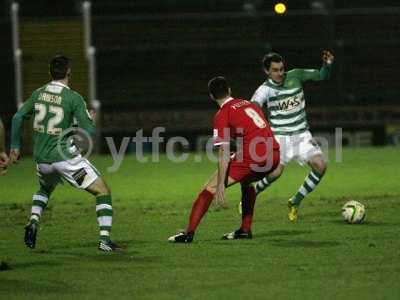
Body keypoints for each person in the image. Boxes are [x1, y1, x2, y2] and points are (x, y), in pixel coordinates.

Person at [9, 55, 121, 251]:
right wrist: (90, 120)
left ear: (50, 73)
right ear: (69, 72)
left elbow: (18, 117)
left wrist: (15, 147)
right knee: (103, 191)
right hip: (67, 162)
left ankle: (34, 220)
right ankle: (105, 240)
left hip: (43, 161)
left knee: (45, 189)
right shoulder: (73, 98)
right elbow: (90, 131)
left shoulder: (38, 94)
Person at [168, 76, 280, 243]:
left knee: (209, 188)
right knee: (246, 182)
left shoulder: (222, 114)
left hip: (254, 156)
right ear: (229, 90)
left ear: (211, 96)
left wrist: (221, 183)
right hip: (274, 154)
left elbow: (223, 151)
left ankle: (188, 234)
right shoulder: (249, 104)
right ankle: (245, 230)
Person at [251, 50, 334, 221]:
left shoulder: (296, 75)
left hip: (302, 134)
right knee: (275, 173)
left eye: (281, 69)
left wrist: (327, 65)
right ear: (267, 71)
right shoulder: (264, 90)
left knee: (320, 165)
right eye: (275, 70)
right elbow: (253, 109)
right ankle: (251, 195)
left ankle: (295, 202)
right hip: (279, 137)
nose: (280, 73)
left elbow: (321, 75)